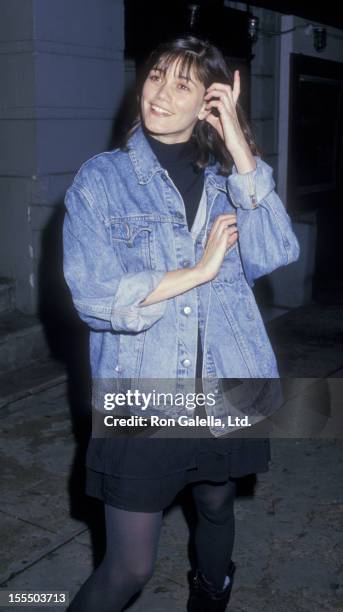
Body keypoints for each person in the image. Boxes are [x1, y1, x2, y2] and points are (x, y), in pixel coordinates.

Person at [63, 35, 300, 612]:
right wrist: (197, 272)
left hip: (226, 381)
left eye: (182, 84)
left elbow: (277, 251)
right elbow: (95, 296)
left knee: (217, 505)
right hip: (142, 392)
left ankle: (212, 593)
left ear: (208, 104)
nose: (161, 94)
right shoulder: (101, 181)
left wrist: (240, 144)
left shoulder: (230, 182)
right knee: (130, 567)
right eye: (155, 77)